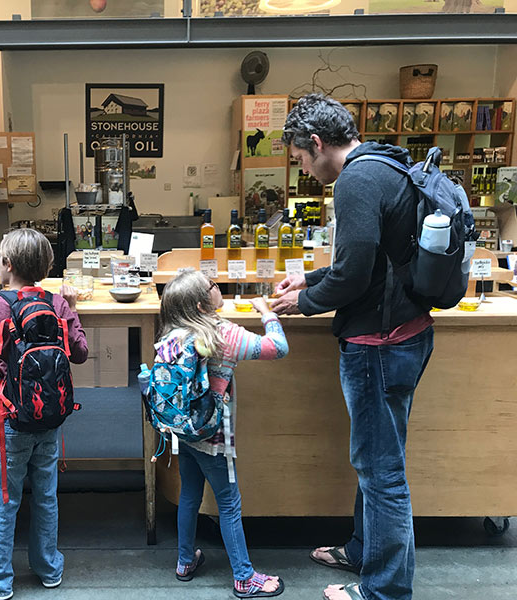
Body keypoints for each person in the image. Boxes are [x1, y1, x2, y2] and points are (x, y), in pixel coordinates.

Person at [271, 94, 435, 600]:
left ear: (317, 144)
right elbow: (369, 263)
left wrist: (304, 302)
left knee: (381, 470)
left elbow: (353, 277)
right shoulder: (387, 164)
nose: (303, 168)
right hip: (405, 332)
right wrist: (309, 281)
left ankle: (384, 589)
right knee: (381, 459)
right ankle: (364, 550)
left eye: (300, 158)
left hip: (378, 345)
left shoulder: (355, 182)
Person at [0, 228, 88, 600]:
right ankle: (49, 569)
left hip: (7, 420)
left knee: (5, 501)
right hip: (49, 418)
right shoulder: (57, 303)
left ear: (6, 264)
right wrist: (73, 309)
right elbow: (79, 352)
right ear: (48, 266)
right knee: (46, 497)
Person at [157, 270, 288, 599]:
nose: (219, 288)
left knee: (189, 495)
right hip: (214, 438)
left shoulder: (172, 334)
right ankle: (244, 577)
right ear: (203, 303)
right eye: (213, 286)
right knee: (229, 504)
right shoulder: (223, 334)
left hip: (181, 431)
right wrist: (267, 313)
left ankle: (185, 561)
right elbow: (278, 348)